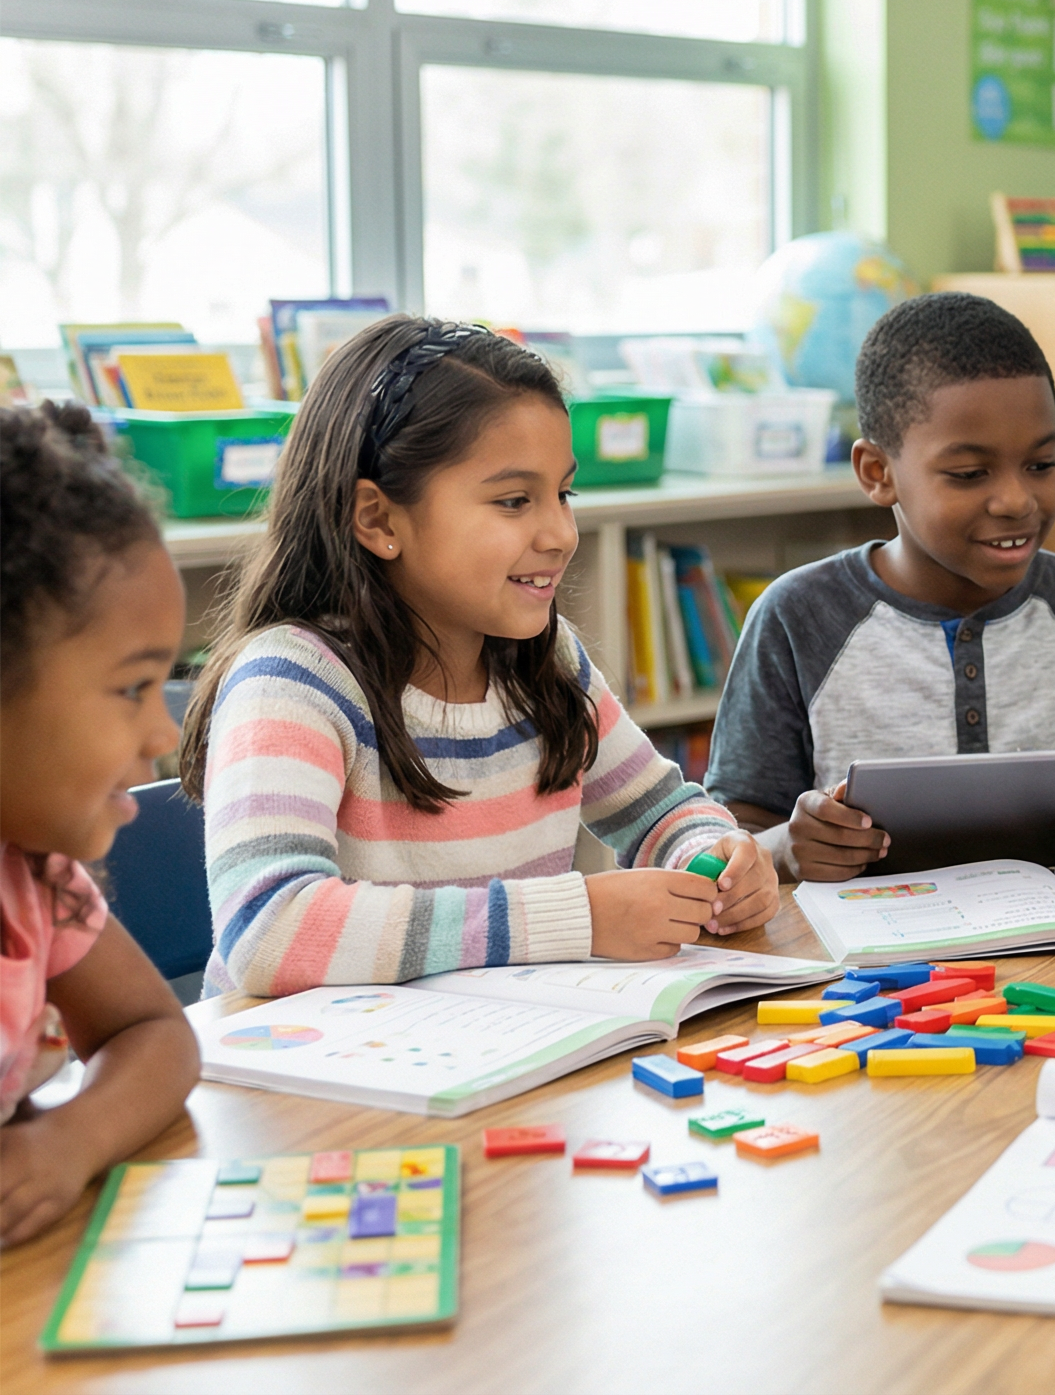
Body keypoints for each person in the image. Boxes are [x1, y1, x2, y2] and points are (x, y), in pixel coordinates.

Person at [181, 319, 772, 995]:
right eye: (514, 501)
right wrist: (576, 917)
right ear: (376, 519)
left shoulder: (546, 662)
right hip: (309, 1084)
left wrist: (714, 858)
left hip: (488, 1059)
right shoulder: (291, 682)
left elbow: (663, 811)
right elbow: (269, 930)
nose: (559, 533)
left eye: (563, 494)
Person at [706, 292, 1055, 879]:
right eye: (969, 474)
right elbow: (735, 837)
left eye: (1041, 465)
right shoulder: (797, 616)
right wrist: (786, 847)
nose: (1017, 500)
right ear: (878, 474)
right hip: (875, 959)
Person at [0, 404, 202, 1244]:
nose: (165, 734)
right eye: (132, 689)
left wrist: (68, 1142)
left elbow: (155, 1035)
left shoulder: (36, 877)